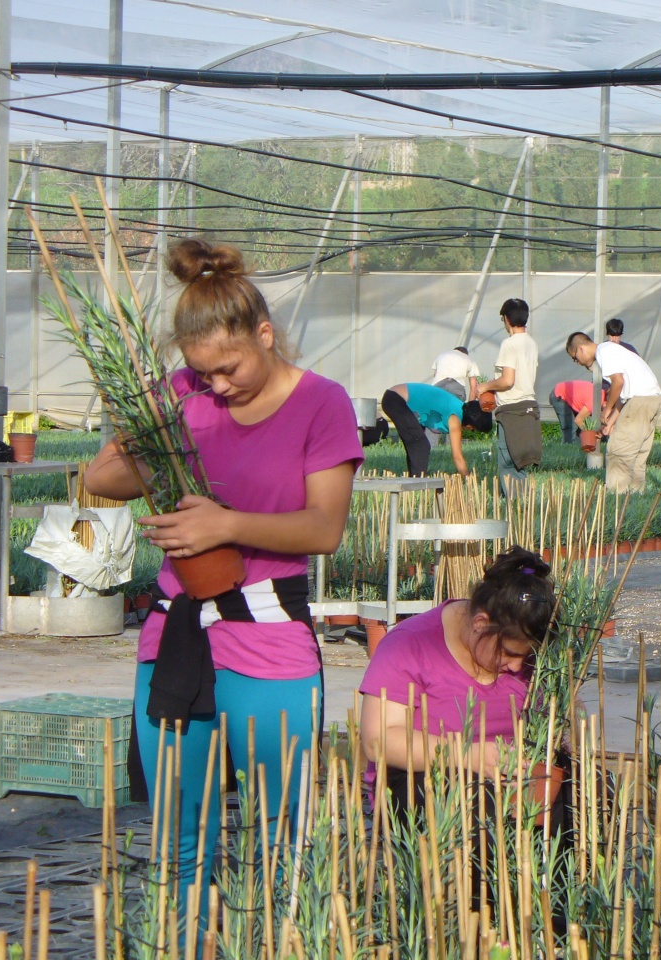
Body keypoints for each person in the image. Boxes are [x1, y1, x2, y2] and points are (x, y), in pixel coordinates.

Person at [83, 238, 364, 934]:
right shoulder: (183, 395)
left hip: (269, 639)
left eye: (228, 368)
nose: (216, 385)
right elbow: (100, 479)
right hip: (175, 634)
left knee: (279, 837)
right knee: (179, 836)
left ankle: (275, 942)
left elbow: (324, 527)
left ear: (264, 334)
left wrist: (224, 524)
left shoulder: (321, 403)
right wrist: (152, 435)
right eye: (201, 371)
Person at [358, 547, 555, 783]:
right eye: (508, 653)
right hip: (427, 784)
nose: (516, 667)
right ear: (481, 623)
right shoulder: (408, 644)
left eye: (529, 656)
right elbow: (378, 740)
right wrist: (467, 755)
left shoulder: (538, 653)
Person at [566, 331, 661, 493]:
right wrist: (609, 424)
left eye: (575, 358)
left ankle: (616, 498)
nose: (578, 363)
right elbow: (623, 396)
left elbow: (618, 382)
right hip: (652, 401)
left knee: (618, 453)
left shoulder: (604, 351)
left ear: (580, 349)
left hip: (639, 402)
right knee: (636, 455)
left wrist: (607, 409)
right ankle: (636, 495)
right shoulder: (615, 351)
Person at [479, 298, 540, 493]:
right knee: (520, 461)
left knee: (508, 461)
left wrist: (485, 386)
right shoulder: (531, 343)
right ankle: (524, 502)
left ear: (506, 319)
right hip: (529, 406)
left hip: (512, 409)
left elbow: (507, 381)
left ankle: (516, 504)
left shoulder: (509, 344)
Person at [381, 381, 492, 477]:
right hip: (396, 399)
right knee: (421, 446)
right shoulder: (455, 417)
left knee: (417, 443)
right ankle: (418, 485)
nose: (470, 430)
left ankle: (414, 480)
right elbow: (457, 456)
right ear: (472, 421)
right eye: (473, 428)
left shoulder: (458, 407)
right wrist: (468, 479)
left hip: (394, 397)